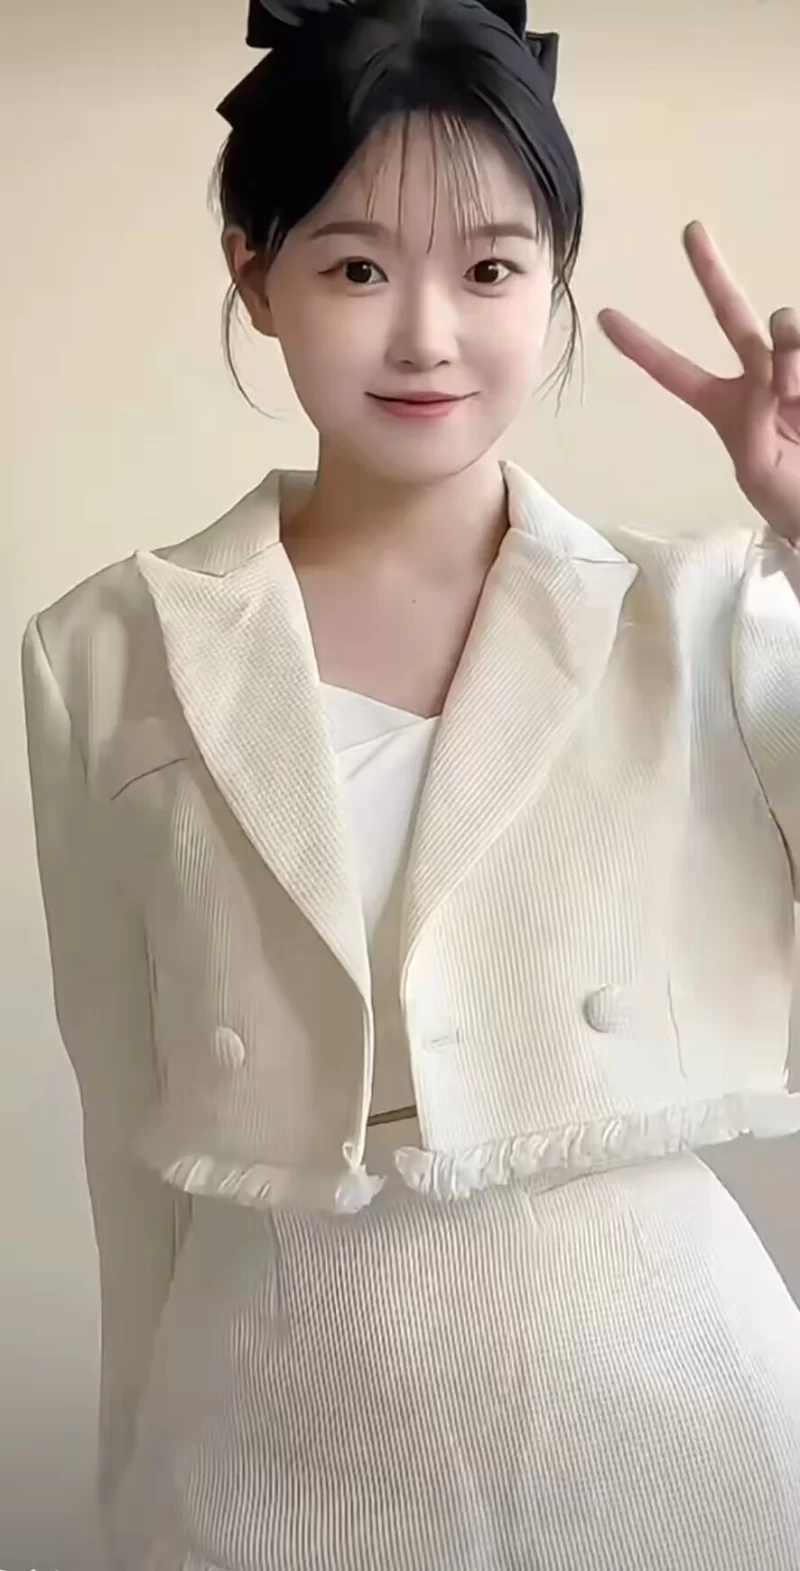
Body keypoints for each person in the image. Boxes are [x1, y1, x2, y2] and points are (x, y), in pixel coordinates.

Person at [21, 0, 800, 1564]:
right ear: (256, 275)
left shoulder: (713, 609)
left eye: (492, 269)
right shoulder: (104, 649)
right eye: (359, 268)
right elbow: (126, 1126)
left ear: (555, 282)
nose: (429, 334)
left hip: (672, 1413)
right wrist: (129, 1477)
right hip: (267, 1430)